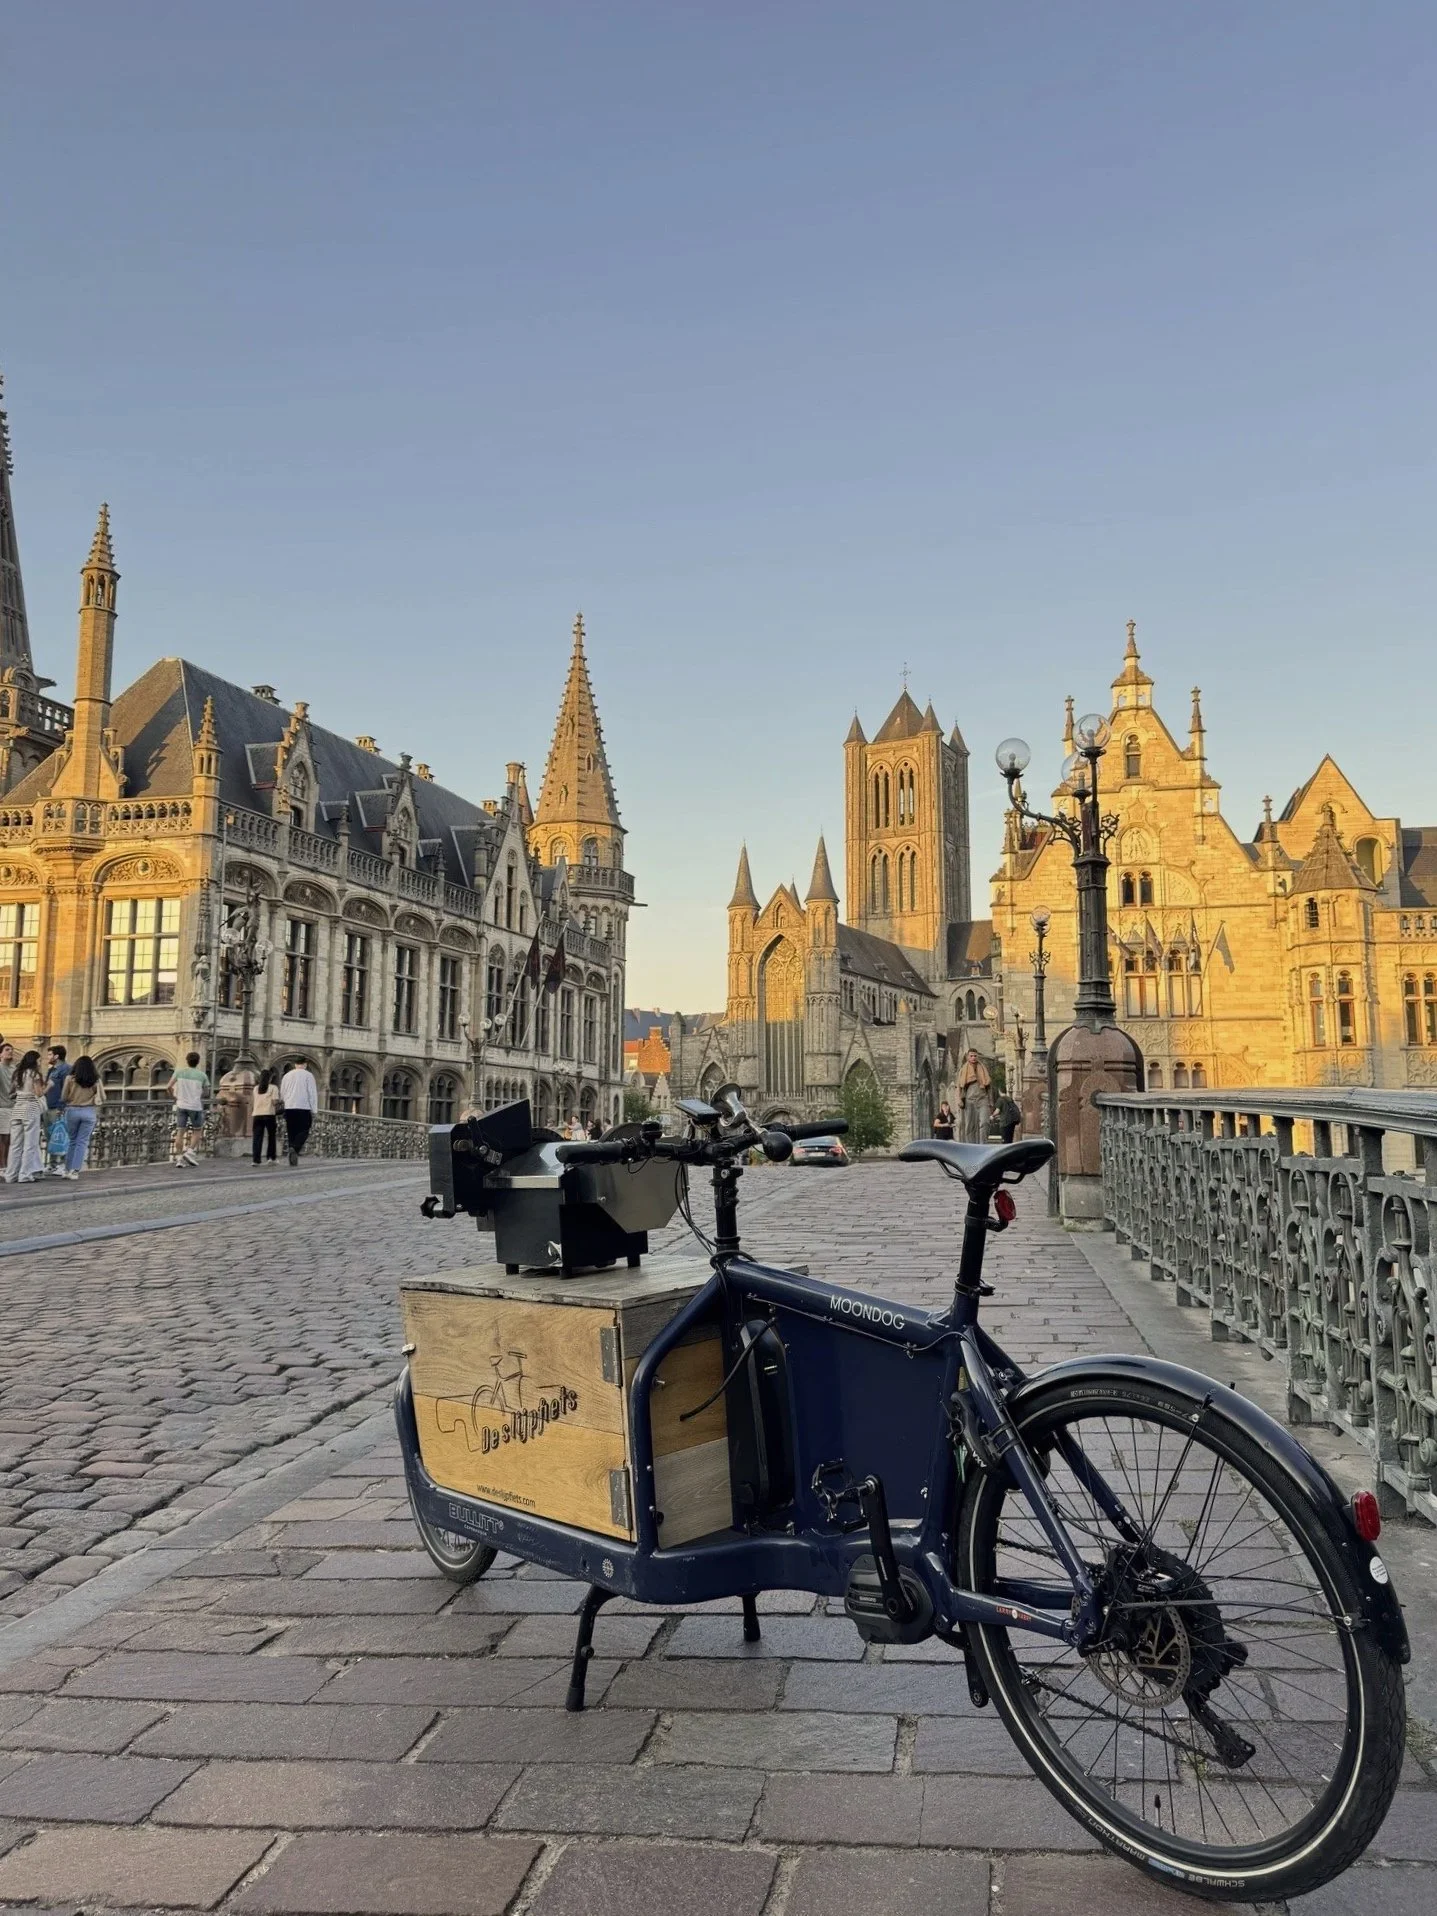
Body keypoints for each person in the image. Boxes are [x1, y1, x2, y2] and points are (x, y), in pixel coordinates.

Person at [4, 1051, 44, 1184]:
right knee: (30, 1144)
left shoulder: (17, 1073)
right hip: (30, 1108)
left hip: (17, 1109)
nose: (40, 1063)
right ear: (34, 1061)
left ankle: (11, 1175)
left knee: (15, 1144)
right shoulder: (34, 1074)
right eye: (39, 1060)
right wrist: (48, 1086)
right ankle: (25, 1174)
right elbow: (39, 1093)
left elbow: (11, 1094)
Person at [61, 1056, 104, 1177]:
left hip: (72, 1110)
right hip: (89, 1111)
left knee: (72, 1141)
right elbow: (103, 1097)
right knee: (82, 1142)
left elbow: (64, 1097)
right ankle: (75, 1171)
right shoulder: (95, 1080)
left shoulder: (70, 1079)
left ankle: (66, 1170)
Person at [169, 1050, 209, 1167]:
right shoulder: (202, 1075)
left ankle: (179, 1159)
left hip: (181, 1105)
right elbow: (206, 1092)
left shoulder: (179, 1072)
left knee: (180, 1132)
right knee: (198, 1130)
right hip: (195, 1106)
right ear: (198, 1062)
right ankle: (190, 1151)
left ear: (187, 1061)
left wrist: (174, 1097)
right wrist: (198, 1096)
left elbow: (168, 1086)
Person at [279, 1056, 318, 1165]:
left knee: (292, 1131)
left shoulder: (286, 1076)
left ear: (295, 1064)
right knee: (304, 1130)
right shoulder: (308, 1075)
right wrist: (314, 1110)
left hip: (289, 1107)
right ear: (305, 1064)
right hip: (303, 1107)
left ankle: (292, 1154)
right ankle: (295, 1148)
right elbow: (312, 1093)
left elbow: (282, 1093)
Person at [957, 1049, 992, 1143]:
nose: (973, 1058)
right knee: (970, 1125)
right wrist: (959, 1099)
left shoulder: (983, 1068)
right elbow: (959, 1087)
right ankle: (971, 1146)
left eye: (975, 1056)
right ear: (968, 1057)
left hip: (982, 1098)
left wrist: (991, 1102)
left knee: (985, 1122)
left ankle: (982, 1145)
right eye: (971, 1056)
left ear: (977, 1057)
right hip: (969, 1099)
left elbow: (989, 1087)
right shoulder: (963, 1070)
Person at [250, 1067, 281, 1166]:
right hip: (269, 1114)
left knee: (257, 1138)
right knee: (271, 1137)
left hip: (257, 1114)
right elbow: (275, 1102)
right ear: (270, 1078)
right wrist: (281, 1101)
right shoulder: (273, 1088)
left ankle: (256, 1160)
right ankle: (271, 1158)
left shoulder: (256, 1089)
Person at [43, 1044, 70, 1118]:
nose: (47, 1057)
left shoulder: (66, 1069)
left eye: (49, 1055)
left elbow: (67, 1089)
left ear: (56, 1056)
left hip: (58, 1109)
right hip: (48, 1108)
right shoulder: (51, 1070)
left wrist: (61, 1108)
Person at [0, 1040, 13, 1175]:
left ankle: (8, 1164)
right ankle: (2, 1165)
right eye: (7, 1050)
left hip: (14, 1107)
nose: (10, 1052)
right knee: (3, 1138)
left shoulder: (14, 1069)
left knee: (10, 1138)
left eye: (11, 1050)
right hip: (2, 1107)